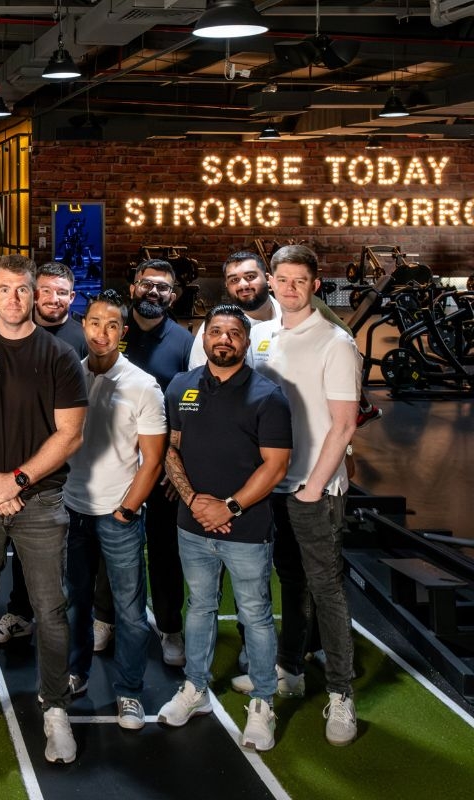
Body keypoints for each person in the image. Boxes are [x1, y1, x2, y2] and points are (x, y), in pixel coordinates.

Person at [0, 254, 87, 764]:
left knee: (49, 608)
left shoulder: (60, 356)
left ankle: (55, 708)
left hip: (40, 499)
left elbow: (70, 435)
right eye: (3, 289)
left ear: (33, 294)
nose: (13, 298)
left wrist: (18, 480)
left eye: (22, 290)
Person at [156, 305, 292, 753]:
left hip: (247, 529)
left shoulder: (268, 396)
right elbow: (170, 451)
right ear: (204, 337)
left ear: (246, 342)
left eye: (235, 333)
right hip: (192, 524)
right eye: (217, 331)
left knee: (255, 612)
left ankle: (263, 701)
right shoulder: (181, 386)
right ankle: (194, 688)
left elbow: (275, 467)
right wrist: (194, 500)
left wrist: (229, 506)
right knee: (199, 607)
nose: (225, 340)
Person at [242, 245, 363, 747]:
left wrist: (313, 487)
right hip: (273, 484)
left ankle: (341, 694)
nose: (290, 288)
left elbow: (343, 424)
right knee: (290, 580)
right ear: (271, 282)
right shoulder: (261, 336)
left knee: (326, 588)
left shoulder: (335, 342)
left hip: (313, 488)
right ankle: (291, 668)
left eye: (300, 280)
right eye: (282, 279)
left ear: (316, 284)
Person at [64, 290, 166, 728]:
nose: (102, 334)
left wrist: (127, 510)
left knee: (128, 610)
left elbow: (154, 460)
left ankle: (128, 691)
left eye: (112, 326)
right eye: (94, 324)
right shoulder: (69, 377)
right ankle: (75, 672)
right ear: (83, 326)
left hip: (117, 516)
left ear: (123, 333)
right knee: (76, 602)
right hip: (72, 511)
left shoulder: (143, 384)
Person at [96, 259, 194, 666]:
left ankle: (170, 628)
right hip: (115, 462)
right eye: (147, 284)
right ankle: (105, 619)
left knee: (164, 550)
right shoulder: (115, 331)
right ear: (133, 286)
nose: (154, 292)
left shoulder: (186, 343)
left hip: (163, 466)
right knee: (111, 547)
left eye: (163, 288)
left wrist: (179, 462)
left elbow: (195, 402)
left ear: (173, 296)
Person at [0, 260, 89, 648]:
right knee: (24, 547)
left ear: (73, 296)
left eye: (62, 292)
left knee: (73, 551)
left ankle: (84, 616)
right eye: (46, 291)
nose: (53, 299)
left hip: (74, 465)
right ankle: (20, 611)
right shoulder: (10, 336)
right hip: (25, 467)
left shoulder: (82, 339)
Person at [188, 251, 381, 428]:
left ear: (268, 279)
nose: (243, 285)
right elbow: (203, 383)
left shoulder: (301, 307)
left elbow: (346, 341)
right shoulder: (215, 329)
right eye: (234, 280)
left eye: (250, 277)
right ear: (227, 286)